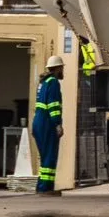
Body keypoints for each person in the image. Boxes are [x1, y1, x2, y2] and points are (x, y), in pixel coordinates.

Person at [32, 54, 65, 193]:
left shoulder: (43, 82)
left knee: (45, 157)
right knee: (50, 156)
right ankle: (45, 188)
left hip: (39, 122)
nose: (62, 70)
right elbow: (53, 105)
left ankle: (42, 186)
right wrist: (57, 124)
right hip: (47, 123)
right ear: (57, 68)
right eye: (61, 68)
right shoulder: (53, 83)